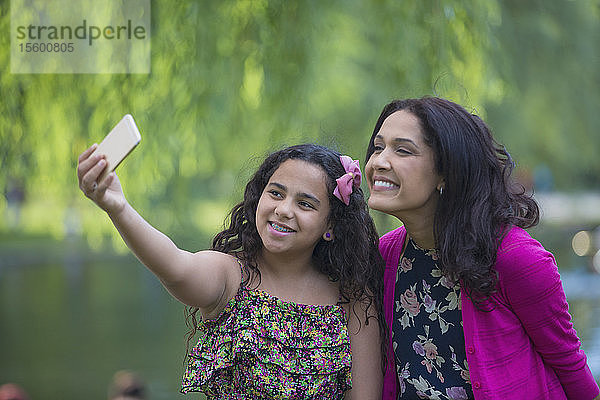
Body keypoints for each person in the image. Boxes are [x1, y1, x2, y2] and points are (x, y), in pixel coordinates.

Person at [77, 143, 385, 399]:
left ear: (330, 224)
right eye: (276, 193)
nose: (284, 210)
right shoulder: (231, 276)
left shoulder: (353, 298)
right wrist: (117, 206)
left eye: (305, 204)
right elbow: (174, 265)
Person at [363, 97, 600, 400]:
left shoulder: (515, 258)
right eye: (379, 147)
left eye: (403, 150)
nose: (379, 161)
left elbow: (573, 372)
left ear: (446, 171)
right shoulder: (385, 256)